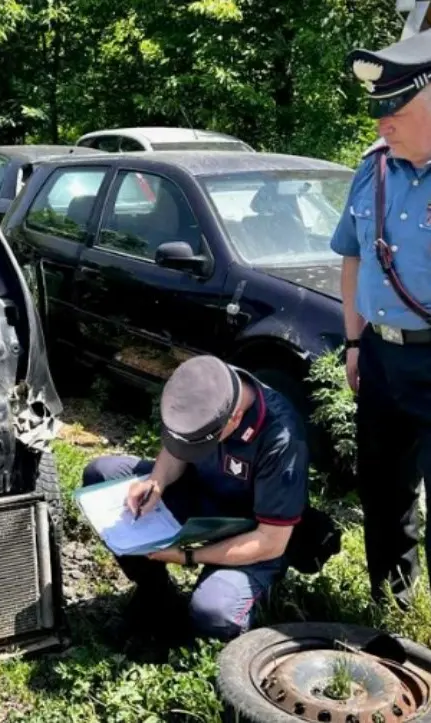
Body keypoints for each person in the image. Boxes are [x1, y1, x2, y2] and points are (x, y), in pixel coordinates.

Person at [81, 355, 309, 651]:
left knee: (215, 614)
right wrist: (157, 481)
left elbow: (270, 542)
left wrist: (187, 556)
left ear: (235, 419)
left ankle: (247, 607)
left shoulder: (282, 439)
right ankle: (157, 593)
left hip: (249, 531)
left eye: (204, 441)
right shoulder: (205, 385)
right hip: (197, 496)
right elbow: (177, 448)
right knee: (102, 475)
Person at [330, 29, 431, 607]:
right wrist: (352, 342)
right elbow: (352, 255)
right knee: (385, 486)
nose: (380, 123)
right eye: (377, 109)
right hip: (381, 356)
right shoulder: (373, 170)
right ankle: (392, 604)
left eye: (395, 108)